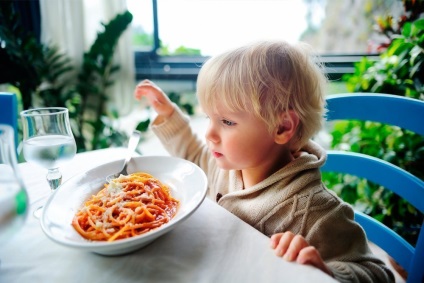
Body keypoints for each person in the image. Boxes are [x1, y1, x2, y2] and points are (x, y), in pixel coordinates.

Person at [134, 40, 394, 283]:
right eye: (208, 118)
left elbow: (379, 274)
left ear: (282, 127)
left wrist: (328, 272)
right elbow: (193, 156)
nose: (209, 134)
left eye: (226, 122)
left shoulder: (316, 212)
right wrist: (169, 116)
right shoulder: (227, 165)